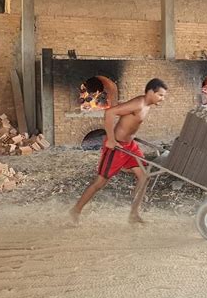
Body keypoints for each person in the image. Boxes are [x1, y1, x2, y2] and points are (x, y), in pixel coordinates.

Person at [69, 78, 168, 224]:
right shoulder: (138, 104)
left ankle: (133, 215)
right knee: (100, 182)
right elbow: (109, 113)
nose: (162, 98)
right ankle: (76, 210)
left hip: (130, 146)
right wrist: (110, 139)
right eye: (160, 95)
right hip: (117, 147)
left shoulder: (147, 105)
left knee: (144, 177)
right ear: (150, 92)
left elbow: (129, 123)